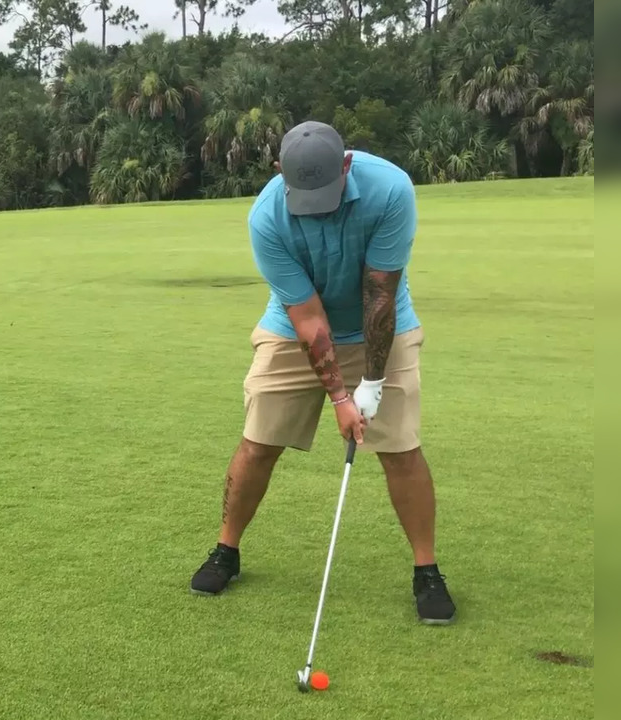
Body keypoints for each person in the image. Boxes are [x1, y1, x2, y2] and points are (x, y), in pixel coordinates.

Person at [188, 120, 457, 625]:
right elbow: (308, 318)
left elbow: (380, 295)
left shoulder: (391, 189)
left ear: (347, 165)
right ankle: (227, 549)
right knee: (258, 441)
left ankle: (427, 570)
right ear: (278, 172)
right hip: (294, 328)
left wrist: (371, 385)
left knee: (400, 448)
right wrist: (340, 398)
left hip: (381, 323)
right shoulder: (266, 216)